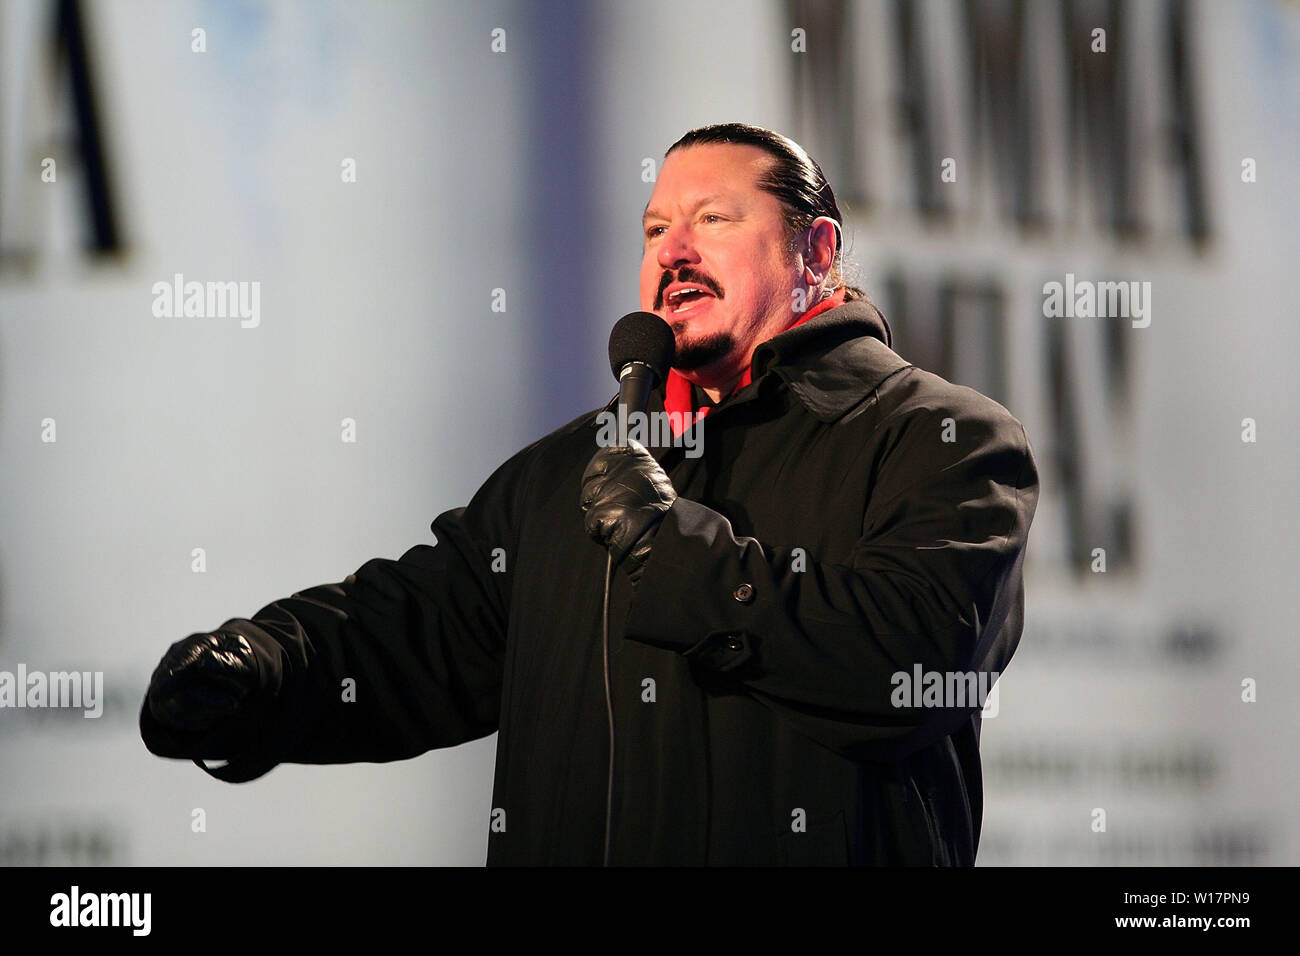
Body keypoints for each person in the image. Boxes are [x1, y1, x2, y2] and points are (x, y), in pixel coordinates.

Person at [141, 122, 1039, 866]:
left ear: (816, 251)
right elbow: (420, 628)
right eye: (654, 232)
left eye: (713, 219)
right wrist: (261, 670)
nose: (674, 252)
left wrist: (669, 548)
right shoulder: (571, 469)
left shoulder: (939, 437)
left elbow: (912, 661)